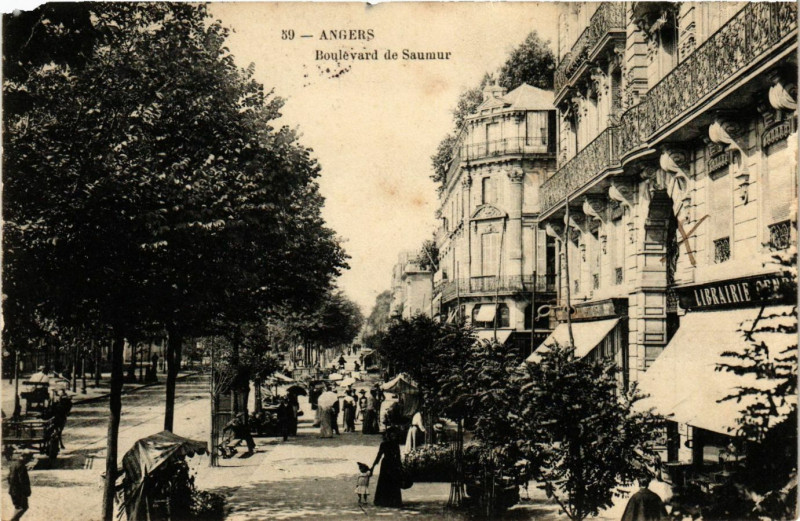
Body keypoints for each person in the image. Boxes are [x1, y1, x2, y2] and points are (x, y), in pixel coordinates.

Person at [371, 427, 403, 508]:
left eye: (394, 435)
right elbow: (379, 456)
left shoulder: (390, 444)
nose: (393, 436)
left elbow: (398, 456)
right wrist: (373, 467)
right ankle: (392, 501)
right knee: (389, 482)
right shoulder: (388, 444)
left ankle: (384, 500)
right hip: (389, 464)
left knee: (386, 482)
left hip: (388, 464)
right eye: (392, 435)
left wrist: (400, 466)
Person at [7, 449, 33, 521]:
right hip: (19, 491)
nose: (28, 461)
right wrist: (26, 491)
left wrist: (11, 487)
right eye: (28, 458)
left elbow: (8, 477)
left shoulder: (13, 464)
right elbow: (22, 481)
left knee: (17, 507)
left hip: (12, 490)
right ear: (25, 456)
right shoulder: (21, 466)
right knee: (24, 507)